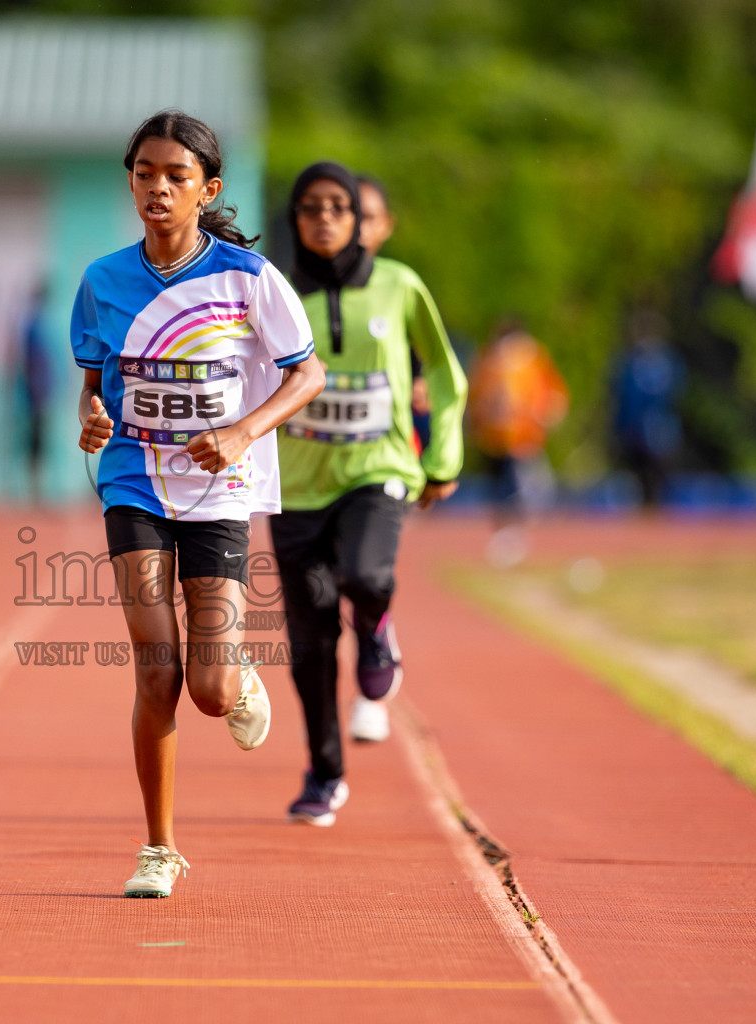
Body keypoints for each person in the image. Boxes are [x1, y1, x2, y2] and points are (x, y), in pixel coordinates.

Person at [72, 111, 325, 897]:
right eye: (145, 173)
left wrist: (244, 431)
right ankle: (159, 848)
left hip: (220, 490)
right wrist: (91, 414)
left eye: (175, 177)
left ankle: (239, 677)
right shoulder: (102, 280)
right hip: (134, 482)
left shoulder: (248, 279)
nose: (157, 188)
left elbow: (306, 374)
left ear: (207, 189)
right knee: (157, 672)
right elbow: (94, 381)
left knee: (209, 692)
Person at [272, 162, 467, 824]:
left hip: (377, 468)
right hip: (295, 483)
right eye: (309, 208)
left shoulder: (398, 286)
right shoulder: (272, 290)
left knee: (365, 573)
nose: (323, 218)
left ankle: (378, 627)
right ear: (293, 219)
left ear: (359, 219)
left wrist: (442, 455)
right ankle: (324, 772)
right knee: (311, 640)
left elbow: (442, 371)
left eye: (337, 207)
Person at [466, 319, 568, 566]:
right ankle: (505, 534)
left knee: (516, 488)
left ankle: (513, 535)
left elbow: (552, 393)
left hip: (522, 437)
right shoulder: (490, 359)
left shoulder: (532, 358)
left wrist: (544, 416)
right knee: (500, 488)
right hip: (495, 437)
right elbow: (477, 395)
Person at [357, 175, 433, 457]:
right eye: (351, 214)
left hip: (386, 450)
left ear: (387, 224)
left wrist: (419, 379)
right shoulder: (294, 288)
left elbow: (428, 351)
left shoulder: (401, 284)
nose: (359, 228)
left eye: (369, 217)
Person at [610, 311, 685, 507]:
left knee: (660, 478)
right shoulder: (630, 361)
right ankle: (648, 518)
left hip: (659, 427)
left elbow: (675, 393)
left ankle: (657, 517)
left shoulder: (665, 361)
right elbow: (620, 395)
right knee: (640, 477)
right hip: (636, 428)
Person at [17, 281, 53, 504]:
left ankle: (37, 489)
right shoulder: (33, 326)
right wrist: (34, 391)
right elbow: (28, 363)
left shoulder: (40, 325)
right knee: (34, 443)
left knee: (40, 442)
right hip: (34, 395)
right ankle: (34, 490)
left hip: (41, 393)